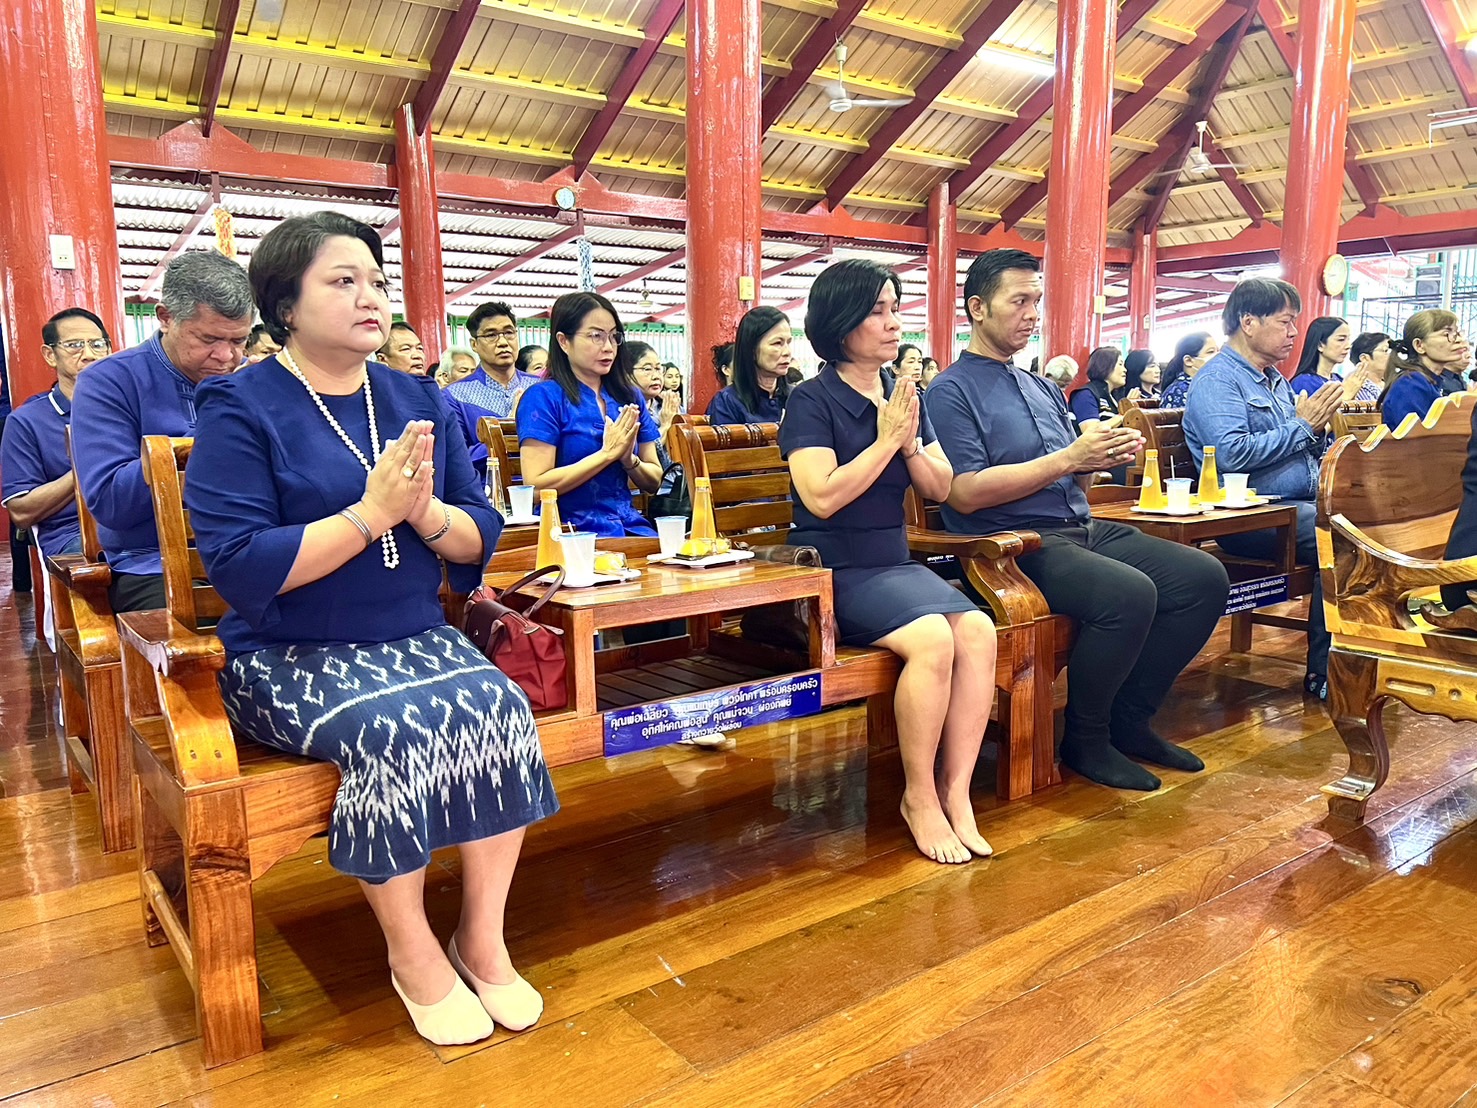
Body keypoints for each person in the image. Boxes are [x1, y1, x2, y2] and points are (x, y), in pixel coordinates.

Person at [186, 211, 556, 1048]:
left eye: (377, 281)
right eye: (342, 280)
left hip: (412, 635)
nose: (370, 297)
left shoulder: (415, 398)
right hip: (287, 650)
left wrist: (421, 513)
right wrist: (369, 514)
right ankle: (411, 950)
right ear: (285, 304)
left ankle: (481, 939)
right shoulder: (240, 405)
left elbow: (477, 532)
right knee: (393, 731)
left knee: (500, 709)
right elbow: (240, 564)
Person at [927, 248, 1227, 792]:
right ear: (977, 308)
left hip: (1077, 527)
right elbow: (963, 493)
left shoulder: (1041, 385)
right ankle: (1085, 739)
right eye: (1019, 301)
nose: (1032, 314)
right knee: (1127, 593)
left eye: (1036, 301)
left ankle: (1129, 720)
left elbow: (1072, 480)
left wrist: (1097, 458)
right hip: (1011, 544)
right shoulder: (950, 390)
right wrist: (1069, 458)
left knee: (1202, 577)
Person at [781, 259, 996, 863]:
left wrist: (906, 443)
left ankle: (956, 793)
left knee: (978, 630)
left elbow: (940, 486)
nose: (893, 323)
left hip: (894, 562)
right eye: (877, 311)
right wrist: (885, 440)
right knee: (933, 639)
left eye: (895, 308)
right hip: (834, 568)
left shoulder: (905, 397)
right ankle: (918, 796)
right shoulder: (811, 400)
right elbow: (821, 497)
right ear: (840, 322)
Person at [1182, 277, 1343, 700]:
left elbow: (1296, 444)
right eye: (1285, 322)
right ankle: (1328, 672)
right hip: (1247, 517)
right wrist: (1303, 426)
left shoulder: (1273, 380)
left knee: (1367, 520)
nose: (1294, 333)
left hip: (1296, 508)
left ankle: (1361, 657)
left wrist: (1317, 431)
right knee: (1341, 535)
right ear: (1248, 322)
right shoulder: (1219, 381)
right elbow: (1230, 454)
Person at [72, 250, 255, 612]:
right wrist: (204, 444)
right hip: (151, 564)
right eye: (208, 339)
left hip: (253, 554)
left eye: (238, 341)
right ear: (166, 317)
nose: (226, 357)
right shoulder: (107, 382)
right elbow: (110, 504)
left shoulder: (254, 379)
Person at [1, 308, 112, 643]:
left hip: (137, 521)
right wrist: (86, 467)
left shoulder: (127, 407)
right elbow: (21, 512)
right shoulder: (26, 421)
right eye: (75, 345)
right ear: (50, 355)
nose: (89, 354)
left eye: (97, 344)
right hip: (73, 534)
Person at [517, 292, 662, 536]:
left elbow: (655, 481)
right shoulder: (543, 398)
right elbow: (535, 488)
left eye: (614, 336)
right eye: (596, 336)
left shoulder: (629, 396)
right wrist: (606, 455)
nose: (608, 347)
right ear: (564, 341)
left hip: (630, 527)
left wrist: (629, 460)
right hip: (569, 532)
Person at [446, 302, 538, 422]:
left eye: (509, 333)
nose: (503, 342)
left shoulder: (539, 386)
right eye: (491, 335)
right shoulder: (455, 396)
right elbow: (457, 435)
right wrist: (510, 425)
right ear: (474, 344)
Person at [1381, 310, 1470, 430]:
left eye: (1457, 333)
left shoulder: (1429, 381)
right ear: (1419, 345)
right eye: (1447, 334)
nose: (1458, 340)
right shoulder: (1410, 385)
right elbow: (1415, 437)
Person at [708, 306, 792, 425]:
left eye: (788, 342)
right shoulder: (727, 402)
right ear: (751, 349)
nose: (787, 352)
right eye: (777, 343)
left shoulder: (797, 397)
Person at [626, 339, 677, 469]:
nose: (656, 376)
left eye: (659, 369)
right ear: (625, 373)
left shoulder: (668, 405)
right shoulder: (625, 410)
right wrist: (665, 425)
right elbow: (640, 454)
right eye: (647, 369)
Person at [1288, 316, 1356, 398]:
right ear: (1320, 345)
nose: (1348, 346)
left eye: (1348, 339)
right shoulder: (1304, 382)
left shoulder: (1340, 380)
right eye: (1341, 340)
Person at [1068, 346, 1128, 428]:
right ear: (1105, 365)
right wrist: (1123, 414)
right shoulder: (1085, 394)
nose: (1125, 370)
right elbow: (1091, 430)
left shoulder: (1114, 396)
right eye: (1120, 364)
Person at [1159, 332, 1217, 407]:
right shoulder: (1178, 392)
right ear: (1188, 361)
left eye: (1218, 351)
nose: (1218, 356)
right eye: (1211, 352)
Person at [1345, 332, 1390, 402]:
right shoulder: (1357, 389)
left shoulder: (1393, 384)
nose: (1391, 356)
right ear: (1364, 358)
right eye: (1386, 351)